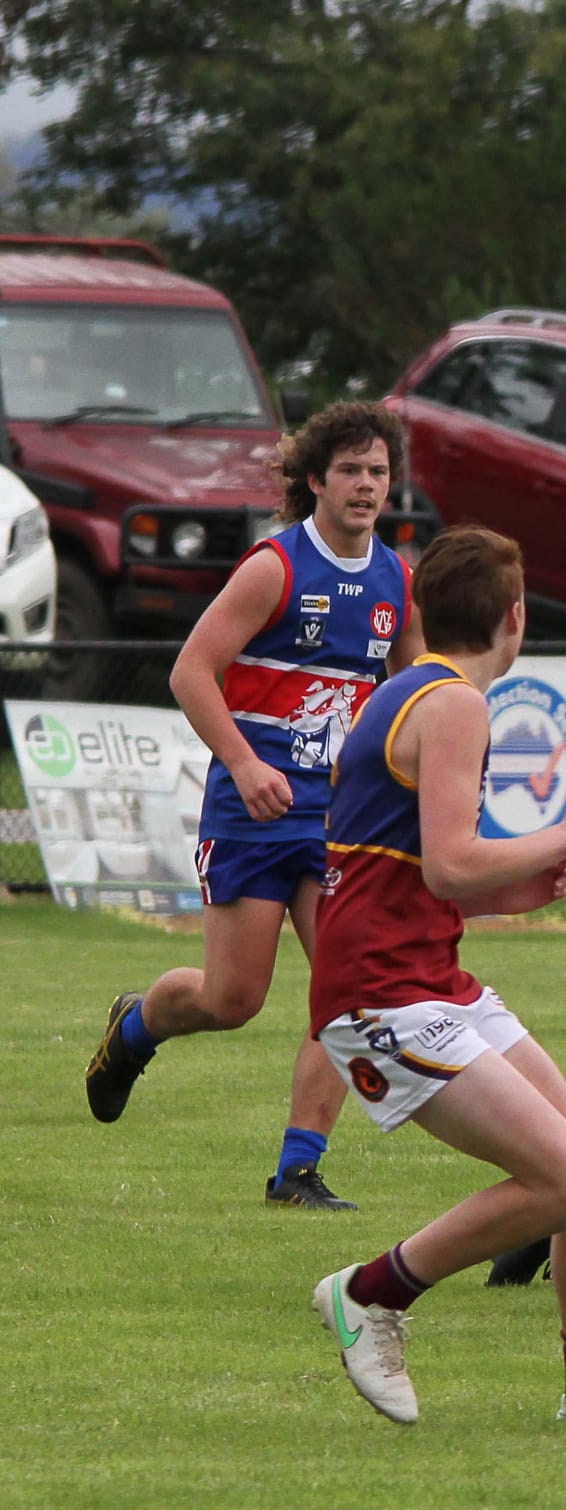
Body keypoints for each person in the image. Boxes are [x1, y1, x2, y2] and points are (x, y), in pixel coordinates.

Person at [308, 526, 566, 1426]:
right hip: (380, 996)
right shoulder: (455, 705)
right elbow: (447, 861)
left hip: (428, 975)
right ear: (515, 618)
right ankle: (370, 1293)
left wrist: (515, 891)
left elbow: (410, 871)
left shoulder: (414, 694)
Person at [85, 401, 424, 1209]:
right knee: (230, 1000)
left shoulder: (397, 579)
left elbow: (416, 693)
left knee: (351, 992)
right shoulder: (276, 566)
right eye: (351, 470)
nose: (366, 485)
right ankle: (135, 1028)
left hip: (339, 821)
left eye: (378, 472)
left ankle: (297, 1170)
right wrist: (242, 765)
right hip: (255, 811)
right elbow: (191, 672)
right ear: (315, 479)